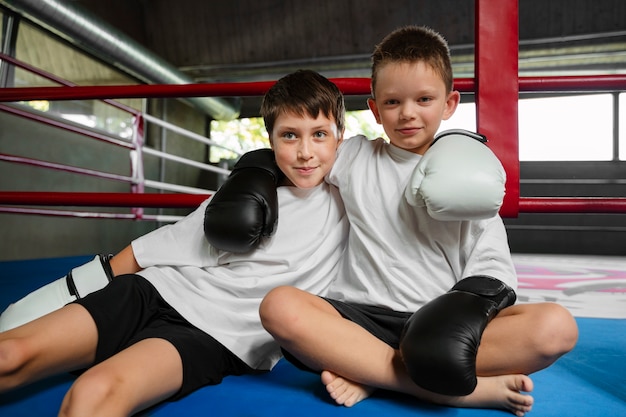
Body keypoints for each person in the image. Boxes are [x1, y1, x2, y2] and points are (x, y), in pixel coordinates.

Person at [204, 26, 579, 416]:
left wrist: (460, 318)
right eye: (393, 101)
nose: (408, 113)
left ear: (450, 103)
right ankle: (437, 390)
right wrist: (251, 172)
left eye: (424, 99)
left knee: (556, 327)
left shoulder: (471, 176)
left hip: (442, 325)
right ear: (374, 108)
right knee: (279, 307)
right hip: (359, 318)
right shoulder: (355, 157)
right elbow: (302, 155)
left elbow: (492, 266)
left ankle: (370, 371)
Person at [0, 69, 348, 417]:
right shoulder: (254, 188)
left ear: (340, 137)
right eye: (289, 135)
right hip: (152, 291)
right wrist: (64, 291)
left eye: (319, 134)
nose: (305, 152)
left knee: (92, 396)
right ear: (270, 140)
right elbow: (159, 245)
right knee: (10, 355)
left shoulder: (356, 199)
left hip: (217, 338)